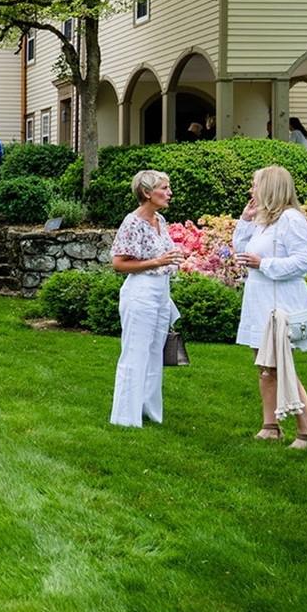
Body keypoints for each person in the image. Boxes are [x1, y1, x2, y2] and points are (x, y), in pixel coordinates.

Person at [234, 166, 307, 449]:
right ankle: (270, 426)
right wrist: (245, 221)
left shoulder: (291, 220)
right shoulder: (264, 221)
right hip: (260, 302)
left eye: (255, 185)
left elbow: (304, 261)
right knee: (265, 366)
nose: (251, 190)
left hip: (279, 305)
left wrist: (265, 265)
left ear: (270, 187)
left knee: (282, 367)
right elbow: (241, 251)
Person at [109, 170, 185, 428]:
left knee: (155, 353)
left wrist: (174, 257)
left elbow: (163, 255)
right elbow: (119, 263)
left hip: (162, 292)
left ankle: (150, 411)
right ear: (146, 193)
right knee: (135, 351)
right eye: (164, 188)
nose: (169, 192)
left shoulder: (160, 220)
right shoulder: (132, 222)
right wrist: (157, 261)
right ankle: (125, 417)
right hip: (140, 293)